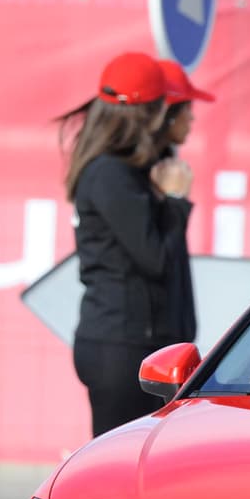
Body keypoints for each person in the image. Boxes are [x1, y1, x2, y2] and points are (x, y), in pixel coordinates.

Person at [57, 52, 196, 437]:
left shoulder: (125, 170)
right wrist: (175, 201)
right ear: (150, 115)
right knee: (115, 472)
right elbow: (154, 258)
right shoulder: (110, 175)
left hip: (137, 344)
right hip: (121, 347)